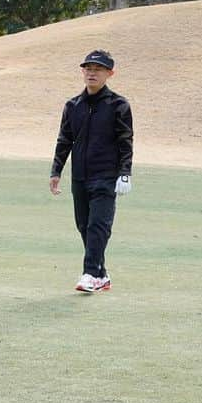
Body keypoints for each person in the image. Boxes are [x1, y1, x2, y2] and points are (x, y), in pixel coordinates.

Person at [50, 49, 134, 293]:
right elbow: (64, 140)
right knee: (84, 225)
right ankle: (102, 275)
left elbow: (125, 141)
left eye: (98, 69)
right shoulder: (73, 105)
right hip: (80, 176)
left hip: (106, 176)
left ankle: (89, 273)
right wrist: (56, 171)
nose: (92, 73)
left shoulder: (118, 105)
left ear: (110, 73)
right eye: (88, 68)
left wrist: (125, 172)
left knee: (99, 225)